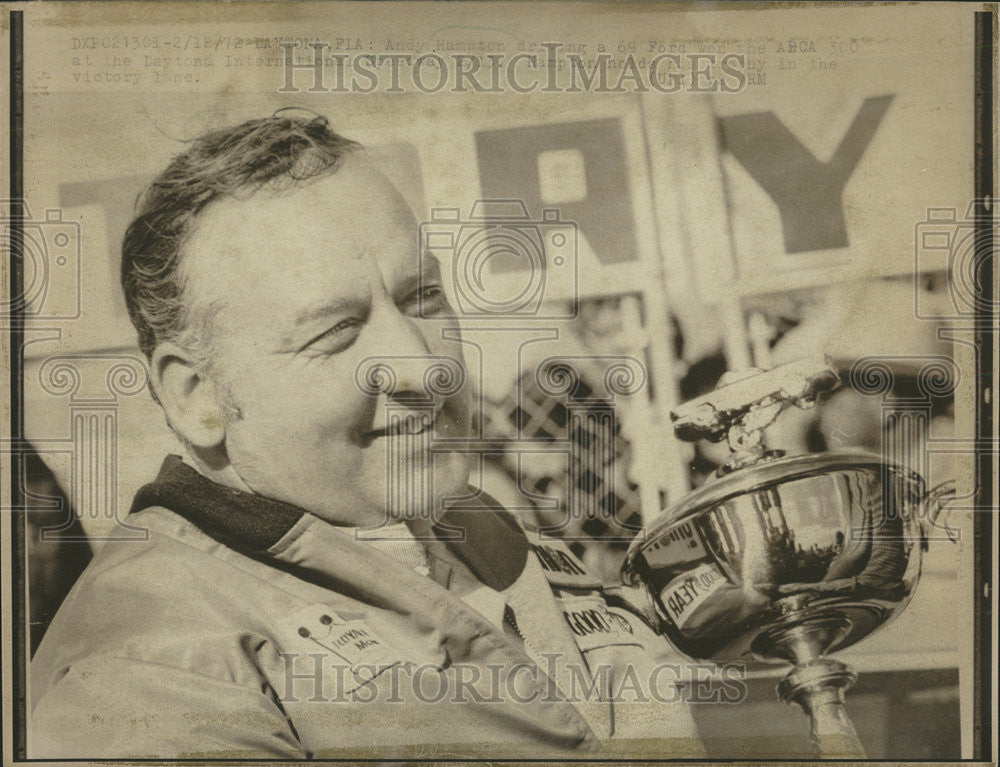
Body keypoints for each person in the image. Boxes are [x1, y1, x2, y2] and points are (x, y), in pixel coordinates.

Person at [29, 113, 705, 759]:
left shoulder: (469, 525)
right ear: (196, 395)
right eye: (336, 333)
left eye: (422, 299)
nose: (425, 364)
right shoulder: (148, 666)